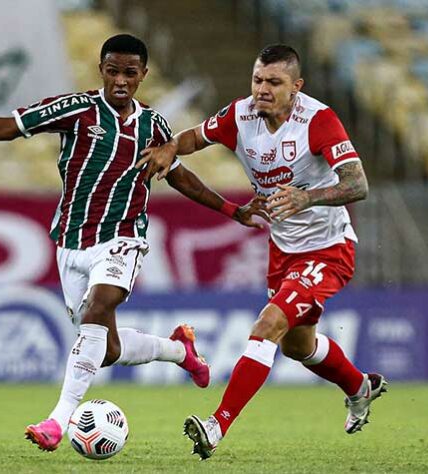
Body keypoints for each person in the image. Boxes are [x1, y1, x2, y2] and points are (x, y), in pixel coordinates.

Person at [0, 34, 268, 452]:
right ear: (101, 70)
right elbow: (13, 127)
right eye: (113, 71)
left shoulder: (154, 125)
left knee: (98, 305)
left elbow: (178, 175)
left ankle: (57, 421)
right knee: (104, 349)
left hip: (124, 236)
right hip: (72, 242)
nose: (121, 81)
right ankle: (178, 350)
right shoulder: (76, 110)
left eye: (130, 73)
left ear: (144, 74)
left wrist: (231, 209)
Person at [137, 44, 388, 460]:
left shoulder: (318, 120)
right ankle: (360, 387)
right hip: (283, 248)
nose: (262, 90)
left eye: (274, 82)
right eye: (257, 80)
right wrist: (169, 148)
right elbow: (195, 136)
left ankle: (216, 425)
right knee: (297, 346)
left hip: (328, 249)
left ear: (296, 87)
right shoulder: (241, 115)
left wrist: (308, 198)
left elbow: (357, 184)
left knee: (267, 324)